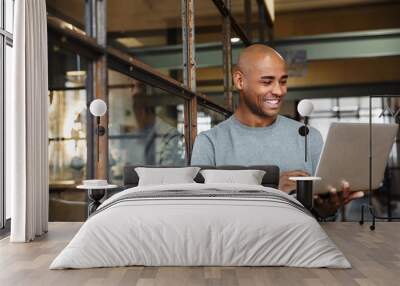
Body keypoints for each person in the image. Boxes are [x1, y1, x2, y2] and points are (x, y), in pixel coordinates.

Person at [191, 44, 364, 219]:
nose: (279, 91)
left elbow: (320, 216)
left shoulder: (309, 138)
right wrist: (274, 193)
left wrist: (327, 209)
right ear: (239, 81)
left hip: (302, 244)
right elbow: (203, 216)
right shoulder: (209, 143)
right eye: (267, 82)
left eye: (283, 81)